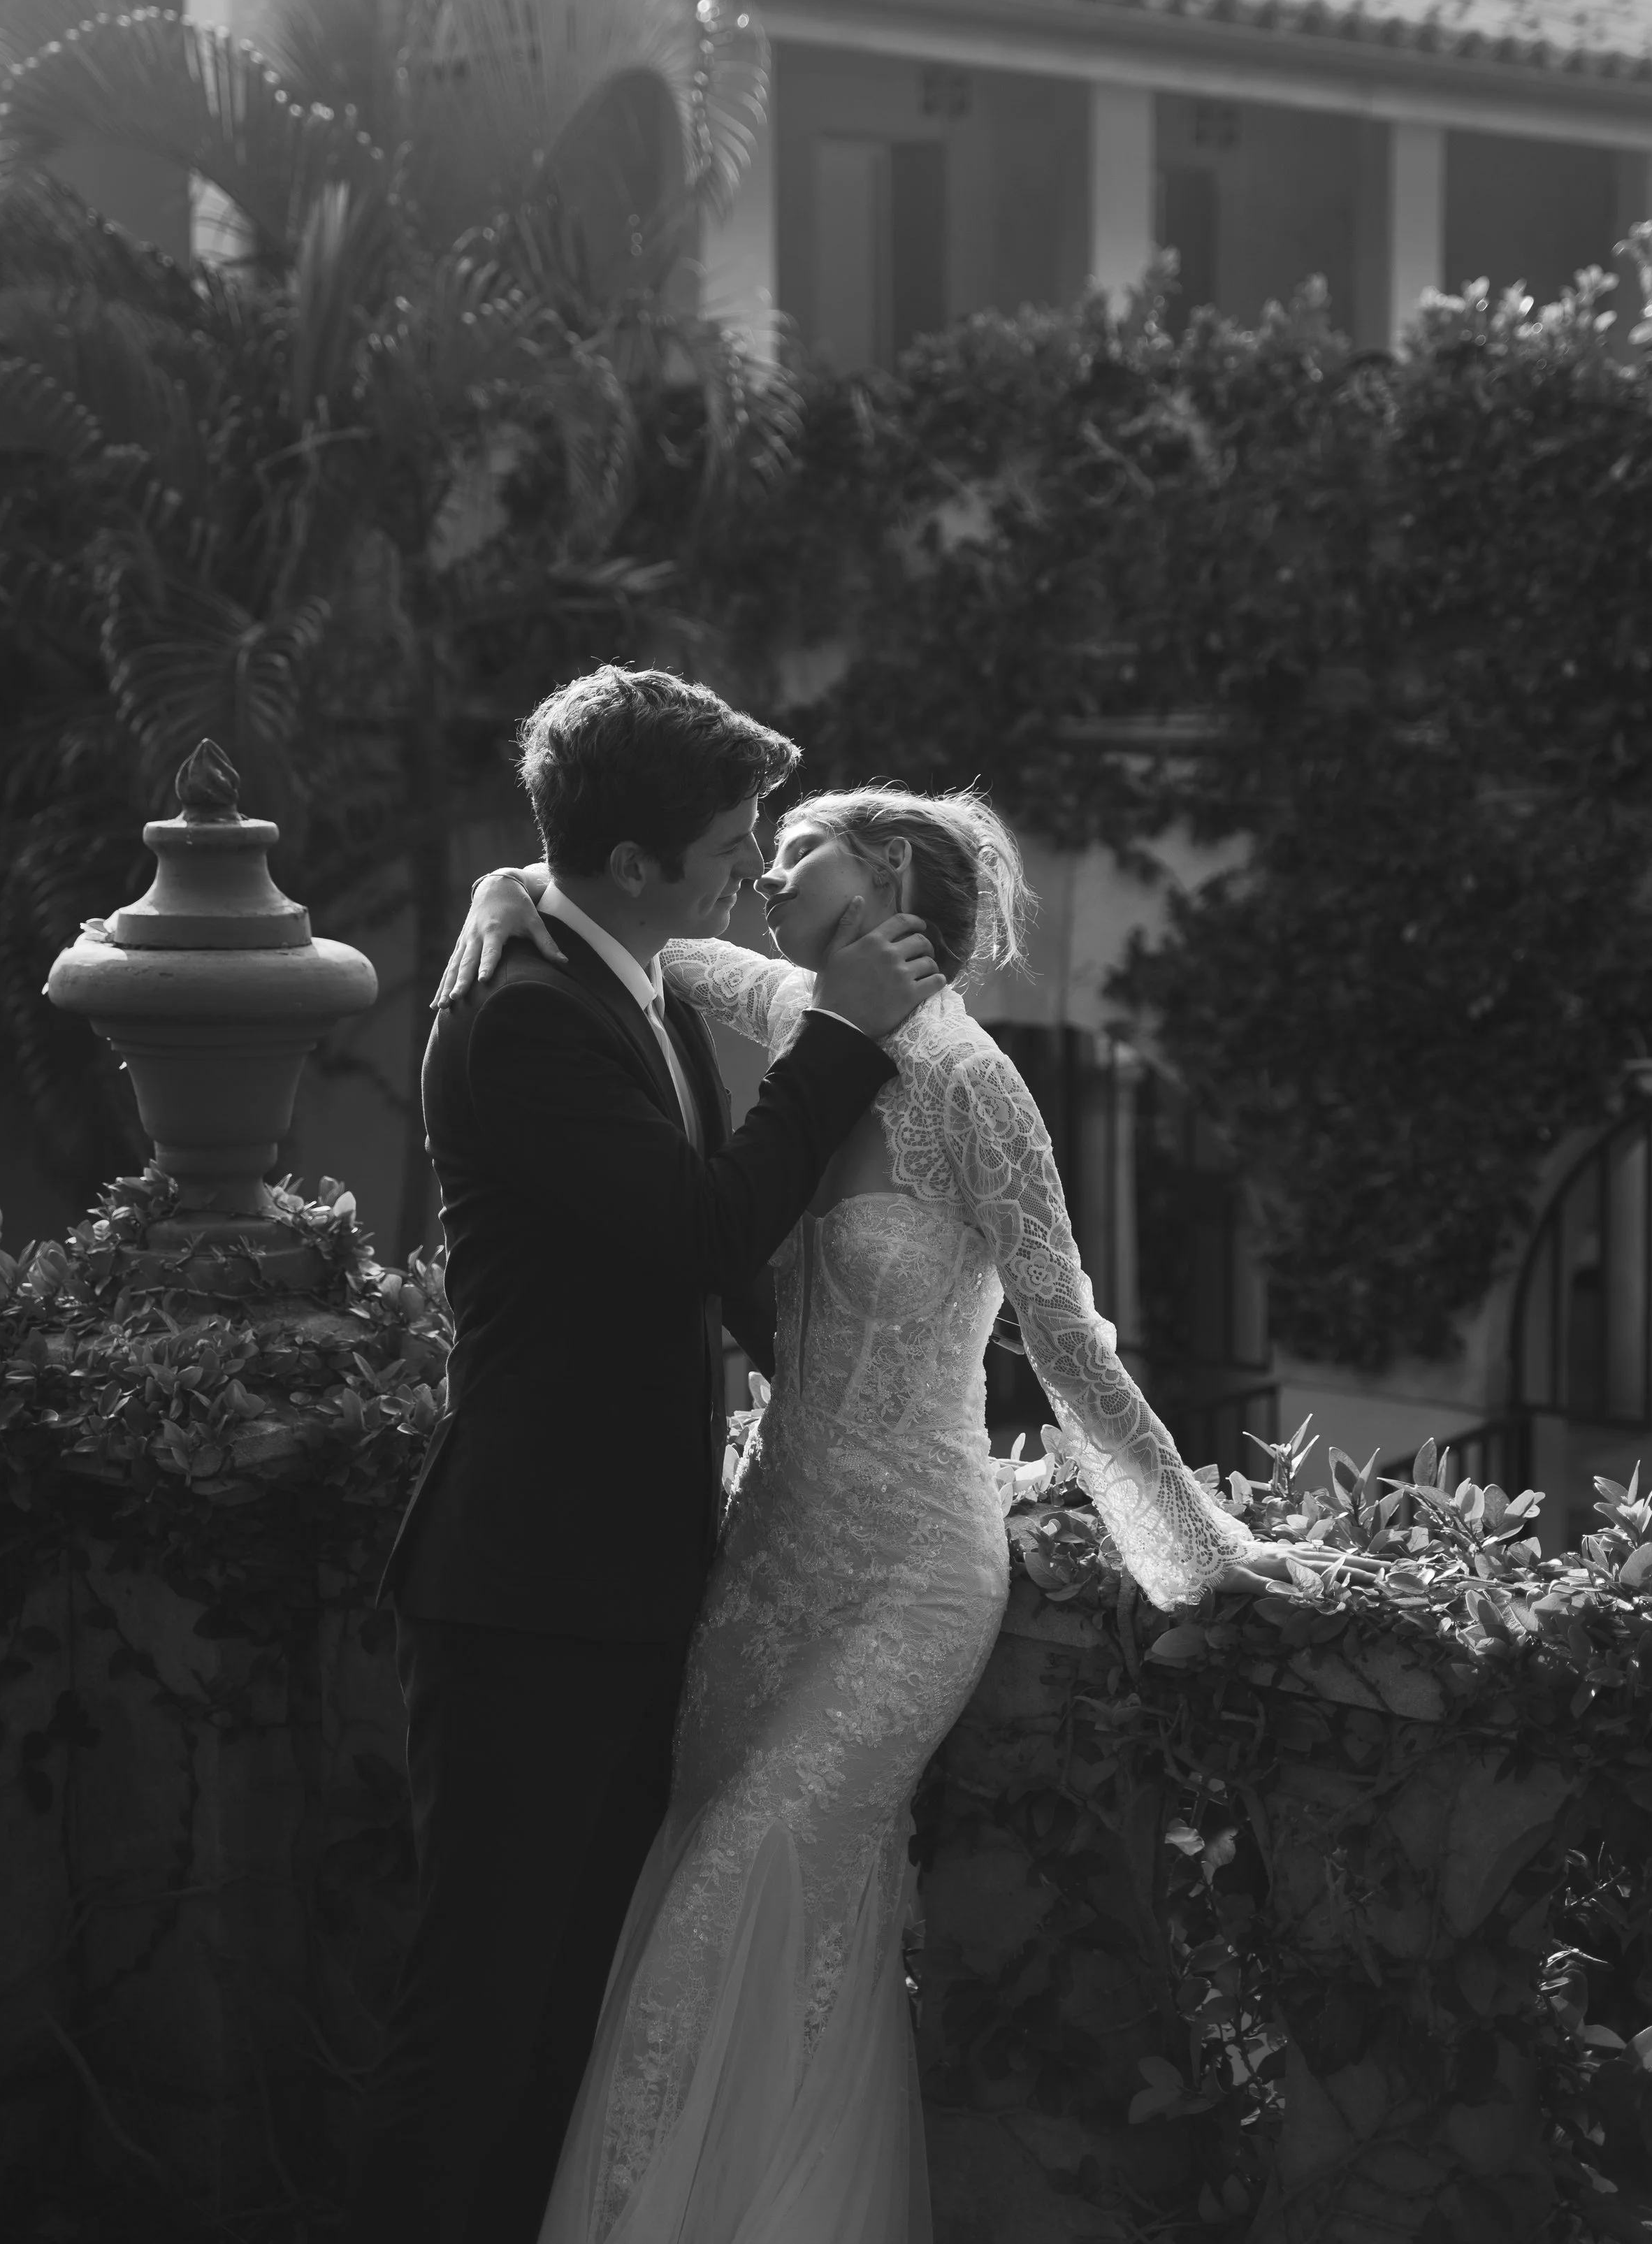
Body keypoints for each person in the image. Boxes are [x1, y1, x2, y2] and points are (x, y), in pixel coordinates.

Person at [435, 781, 1284, 2243]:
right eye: (755, 853)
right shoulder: (793, 1011)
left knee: (748, 1877)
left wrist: (1203, 1551)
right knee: (699, 1879)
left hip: (910, 1573)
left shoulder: (976, 1089)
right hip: (766, 1564)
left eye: (793, 852)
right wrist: (505, 890)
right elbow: (627, 928)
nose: (760, 876)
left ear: (881, 870)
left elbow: (1070, 1345)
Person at [348, 673, 945, 2244]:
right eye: (731, 842)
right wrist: (846, 1040)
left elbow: (692, 1250)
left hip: (617, 1588)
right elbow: (697, 1225)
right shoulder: (529, 1018)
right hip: (525, 1595)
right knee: (474, 2022)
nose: (751, 871)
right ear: (631, 864)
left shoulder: (606, 962)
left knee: (569, 2024)